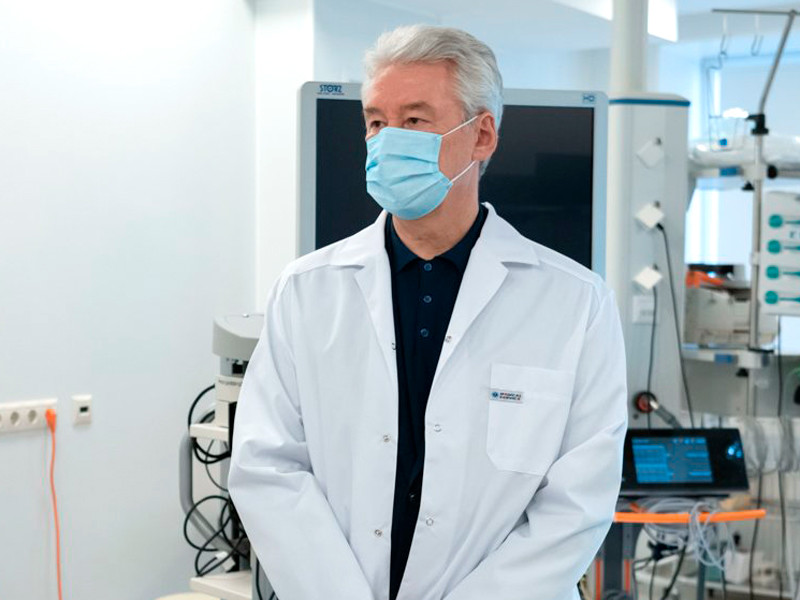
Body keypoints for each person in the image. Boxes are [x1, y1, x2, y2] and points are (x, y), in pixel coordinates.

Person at [229, 24, 627, 600]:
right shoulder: (306, 290)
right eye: (375, 122)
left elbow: (578, 502)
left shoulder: (576, 303)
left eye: (414, 120)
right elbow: (268, 466)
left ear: (481, 136)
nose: (387, 140)